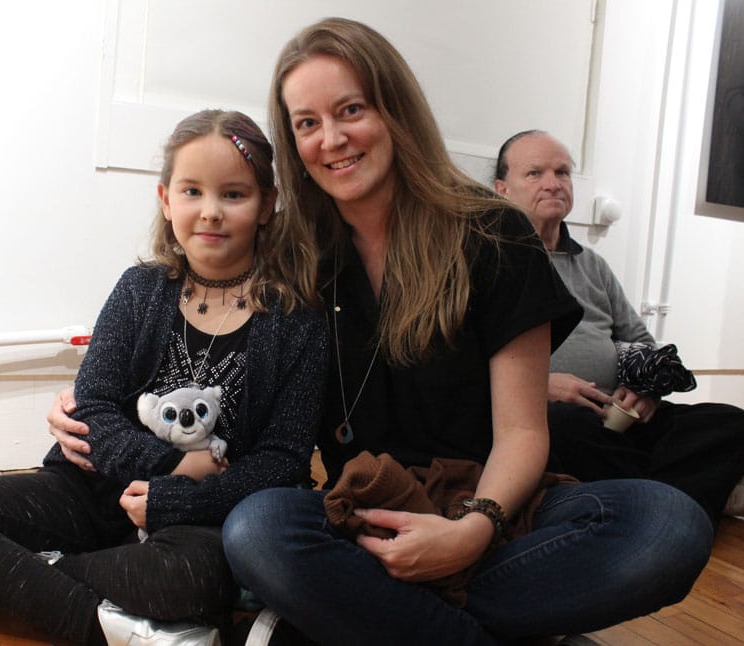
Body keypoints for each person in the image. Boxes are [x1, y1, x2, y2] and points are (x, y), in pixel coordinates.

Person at [50, 19, 714, 645]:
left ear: (395, 109)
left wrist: (472, 530)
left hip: (491, 507)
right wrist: (92, 403)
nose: (331, 138)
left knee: (669, 526)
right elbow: (214, 353)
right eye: (307, 123)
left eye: (351, 110)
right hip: (363, 518)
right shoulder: (297, 254)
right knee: (259, 530)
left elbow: (523, 433)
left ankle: (374, 619)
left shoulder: (494, 234)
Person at [0, 109, 329, 646]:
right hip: (91, 491)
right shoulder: (139, 289)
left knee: (192, 581)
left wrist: (177, 498)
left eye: (233, 195)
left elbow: (283, 459)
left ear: (266, 205)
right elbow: (94, 408)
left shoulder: (297, 322)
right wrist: (174, 464)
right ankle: (95, 623)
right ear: (166, 199)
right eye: (192, 191)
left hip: (197, 520)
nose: (210, 212)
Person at [493, 128, 744, 529]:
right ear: (502, 189)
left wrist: (644, 390)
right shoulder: (488, 261)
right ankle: (676, 502)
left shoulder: (592, 265)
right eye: (535, 173)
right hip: (546, 418)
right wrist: (540, 387)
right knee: (564, 427)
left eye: (562, 172)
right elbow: (460, 365)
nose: (553, 183)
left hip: (618, 416)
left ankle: (651, 505)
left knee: (727, 422)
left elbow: (639, 340)